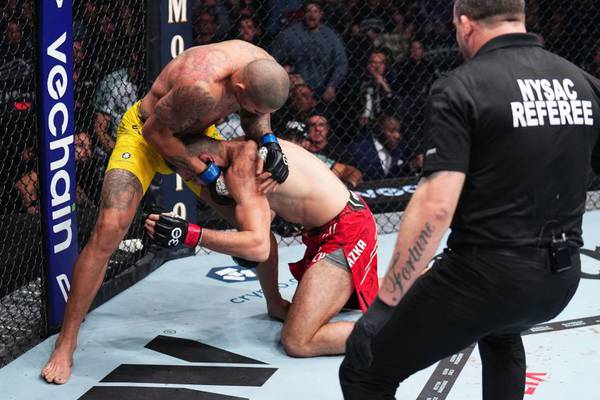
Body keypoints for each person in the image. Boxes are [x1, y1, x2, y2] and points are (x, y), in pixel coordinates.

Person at [340, 1, 600, 399]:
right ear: (519, 16)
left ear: (464, 24)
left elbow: (436, 205)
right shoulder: (582, 82)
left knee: (363, 370)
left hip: (484, 279)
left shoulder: (461, 86)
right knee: (500, 331)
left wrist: (385, 303)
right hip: (560, 281)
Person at [41, 39, 290, 385]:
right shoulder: (200, 85)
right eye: (247, 105)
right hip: (146, 135)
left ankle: (275, 302)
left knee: (254, 220)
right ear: (239, 88)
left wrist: (268, 141)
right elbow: (154, 132)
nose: (249, 113)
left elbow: (257, 113)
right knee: (110, 226)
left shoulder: (260, 66)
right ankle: (65, 342)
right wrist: (206, 173)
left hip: (196, 137)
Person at [145, 136, 379, 357]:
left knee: (298, 340)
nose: (195, 183)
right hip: (330, 226)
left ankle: (388, 333)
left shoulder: (243, 173)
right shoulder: (248, 145)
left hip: (348, 231)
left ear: (207, 160)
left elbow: (259, 247)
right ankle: (275, 303)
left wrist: (188, 233)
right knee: (254, 241)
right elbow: (262, 233)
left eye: (191, 176)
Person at [270, 0, 348, 102]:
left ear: (321, 14)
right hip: (295, 88)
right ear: (303, 14)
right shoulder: (289, 35)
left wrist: (331, 86)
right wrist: (286, 76)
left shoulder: (331, 36)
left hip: (322, 88)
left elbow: (341, 63)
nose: (312, 15)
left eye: (315, 11)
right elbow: (274, 60)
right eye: (308, 11)